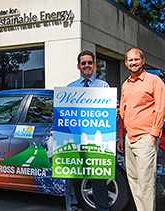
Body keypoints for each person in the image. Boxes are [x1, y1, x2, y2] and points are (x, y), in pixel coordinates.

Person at [117, 48, 165, 211]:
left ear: (142, 61)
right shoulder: (126, 84)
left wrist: (154, 133)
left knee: (146, 183)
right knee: (134, 180)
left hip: (145, 137)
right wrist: (121, 136)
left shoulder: (154, 81)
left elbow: (161, 108)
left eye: (136, 59)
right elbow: (123, 112)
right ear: (126, 63)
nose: (133, 63)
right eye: (130, 60)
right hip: (129, 139)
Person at [65, 50, 110, 211]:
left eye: (89, 62)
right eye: (83, 63)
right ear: (78, 66)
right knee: (73, 180)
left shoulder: (103, 86)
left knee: (99, 179)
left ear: (94, 65)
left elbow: (109, 113)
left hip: (97, 141)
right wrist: (57, 116)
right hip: (75, 141)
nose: (86, 65)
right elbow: (65, 115)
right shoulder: (70, 88)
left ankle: (102, 209)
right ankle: (74, 208)